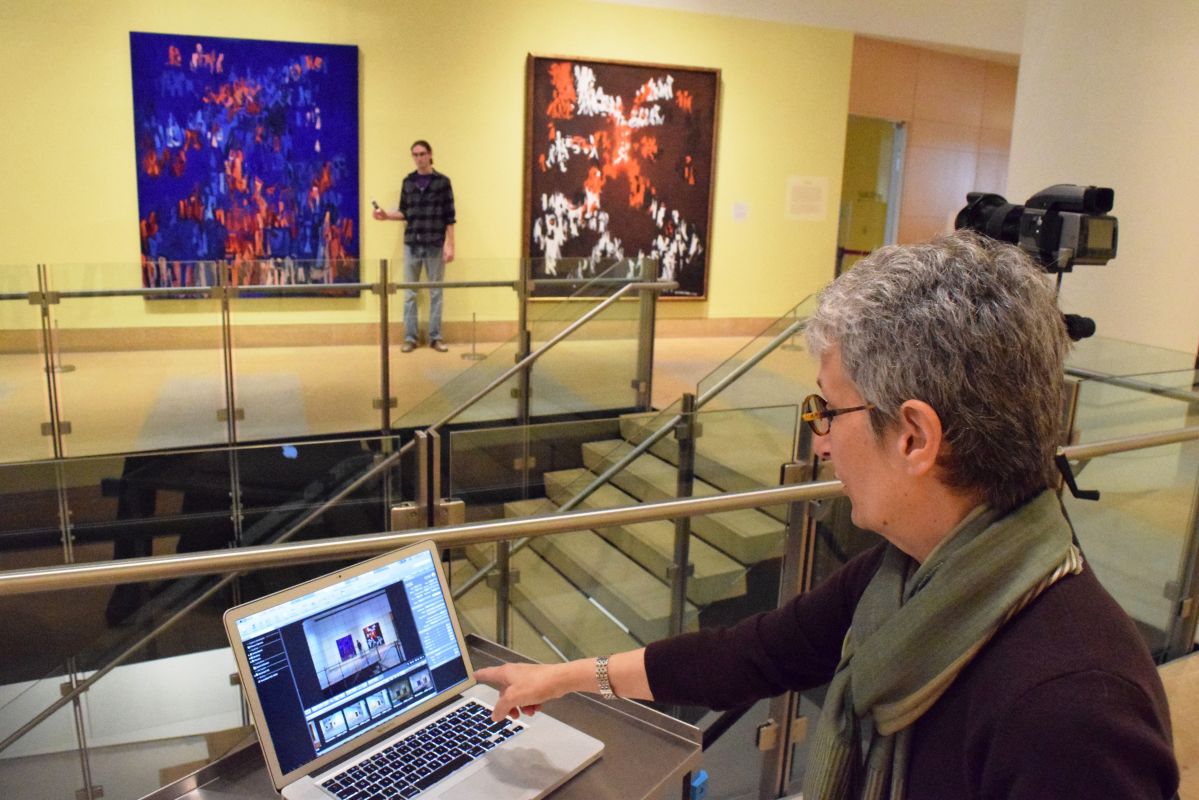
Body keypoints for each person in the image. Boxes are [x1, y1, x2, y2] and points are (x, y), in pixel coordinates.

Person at [476, 231, 1179, 799]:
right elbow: (754, 654)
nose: (816, 440)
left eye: (826, 409)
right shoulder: (908, 573)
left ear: (913, 437)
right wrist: (568, 678)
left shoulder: (1073, 712)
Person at [374, 139, 456, 352]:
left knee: (436, 292)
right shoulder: (408, 182)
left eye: (422, 154)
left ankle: (435, 337)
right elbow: (404, 212)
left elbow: (450, 217)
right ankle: (410, 338)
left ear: (430, 154)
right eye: (415, 155)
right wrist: (385, 216)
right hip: (412, 243)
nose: (419, 158)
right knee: (410, 292)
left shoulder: (443, 182)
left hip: (435, 243)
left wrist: (451, 245)